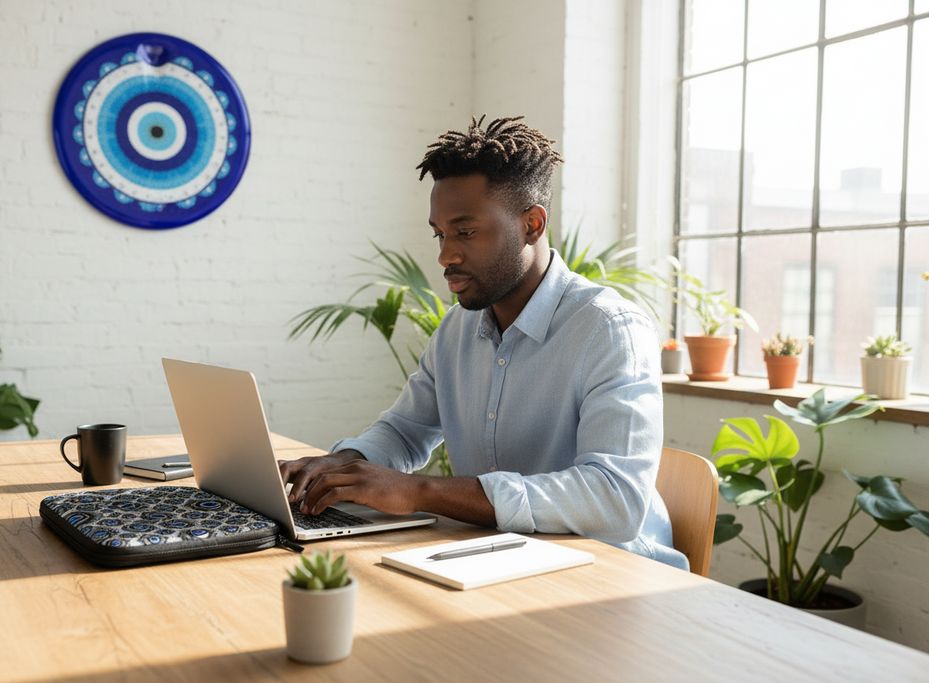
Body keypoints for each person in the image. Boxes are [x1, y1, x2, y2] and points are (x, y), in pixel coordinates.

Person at [280, 115, 687, 570]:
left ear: (532, 224)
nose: (445, 255)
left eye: (466, 232)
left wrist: (419, 491)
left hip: (615, 575)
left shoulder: (610, 330)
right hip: (501, 562)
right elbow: (403, 431)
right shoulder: (457, 329)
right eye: (440, 233)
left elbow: (615, 501)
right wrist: (341, 466)